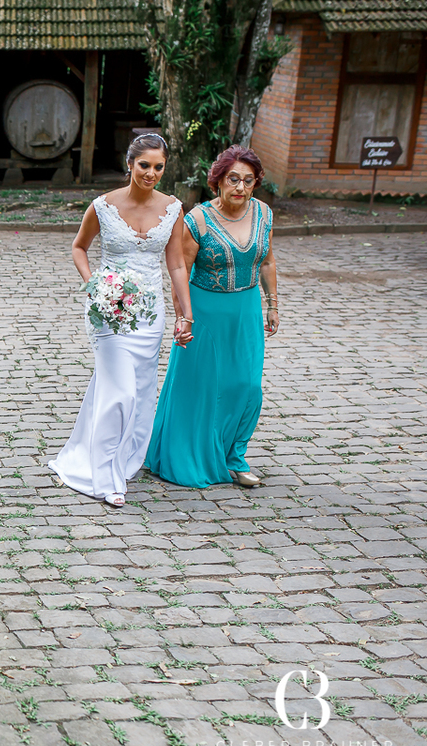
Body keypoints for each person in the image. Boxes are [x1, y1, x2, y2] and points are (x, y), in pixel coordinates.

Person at [49, 134, 194, 508]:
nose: (151, 173)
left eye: (158, 167)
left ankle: (125, 459)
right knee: (120, 392)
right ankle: (106, 478)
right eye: (144, 165)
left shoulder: (174, 209)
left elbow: (176, 263)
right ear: (130, 164)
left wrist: (185, 313)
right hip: (108, 310)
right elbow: (79, 247)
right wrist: (94, 284)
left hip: (149, 315)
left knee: (142, 391)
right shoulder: (103, 205)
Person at [146, 145, 279, 488]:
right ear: (218, 181)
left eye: (248, 181)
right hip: (204, 313)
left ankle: (235, 454)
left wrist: (273, 304)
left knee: (247, 386)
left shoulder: (264, 214)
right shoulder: (199, 220)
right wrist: (183, 318)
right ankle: (188, 452)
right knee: (201, 387)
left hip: (246, 312)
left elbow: (267, 261)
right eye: (233, 179)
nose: (240, 187)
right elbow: (179, 271)